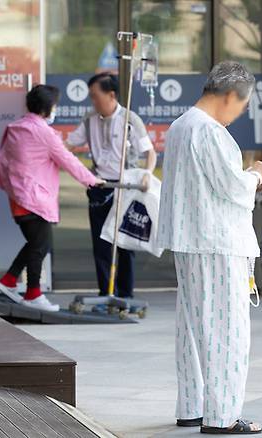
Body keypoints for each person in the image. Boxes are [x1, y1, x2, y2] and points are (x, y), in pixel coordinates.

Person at [158, 61, 262, 435]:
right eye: (241, 105)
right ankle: (222, 416)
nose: (240, 112)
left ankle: (192, 406)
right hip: (218, 242)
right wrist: (258, 173)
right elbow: (234, 189)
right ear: (229, 96)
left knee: (193, 327)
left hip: (189, 240)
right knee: (227, 330)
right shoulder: (211, 132)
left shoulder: (181, 125)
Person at [0, 84, 105, 312]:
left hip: (18, 197)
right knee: (40, 246)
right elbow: (66, 160)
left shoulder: (16, 128)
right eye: (55, 105)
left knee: (35, 243)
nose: (56, 109)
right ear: (47, 107)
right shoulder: (43, 132)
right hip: (35, 198)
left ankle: (9, 280)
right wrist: (91, 180)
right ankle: (33, 294)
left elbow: (1, 161)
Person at [66, 73, 157, 304]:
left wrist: (146, 174)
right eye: (91, 97)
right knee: (101, 243)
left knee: (124, 243)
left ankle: (125, 294)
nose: (93, 101)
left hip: (125, 187)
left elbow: (150, 153)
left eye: (95, 96)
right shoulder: (89, 119)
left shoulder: (129, 120)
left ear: (111, 95)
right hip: (99, 186)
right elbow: (67, 145)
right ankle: (106, 293)